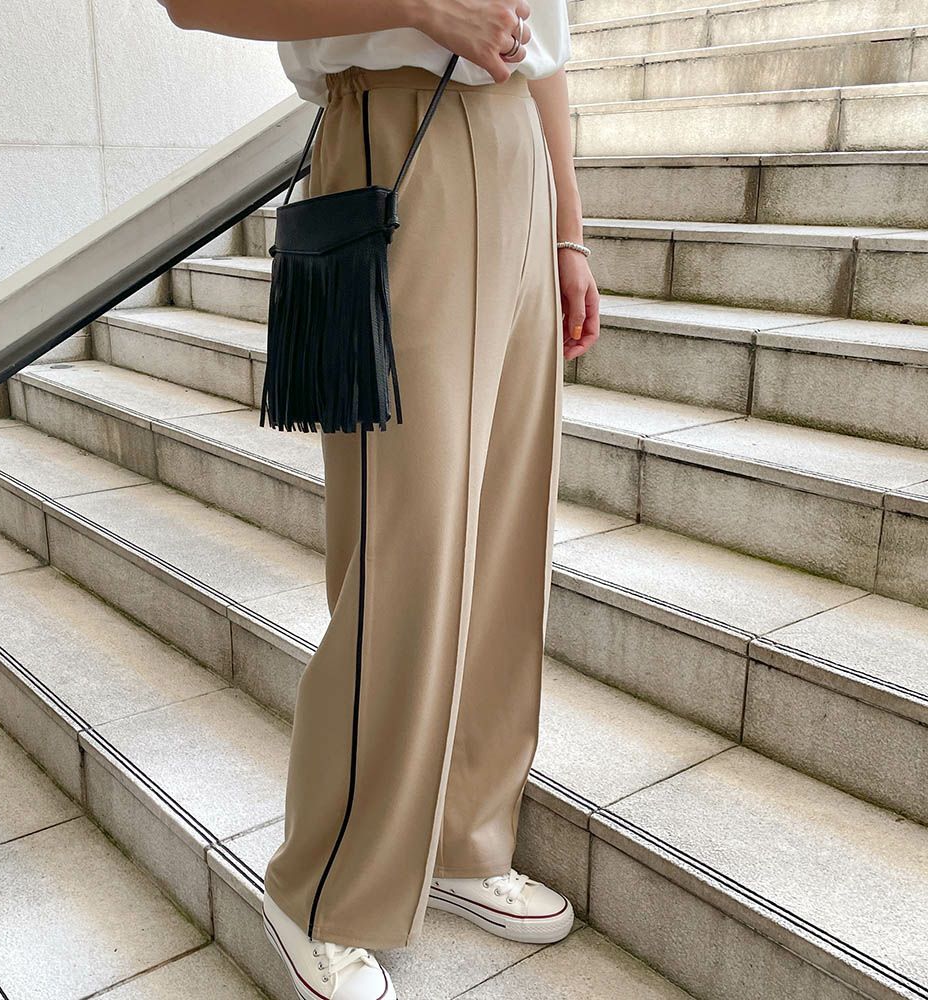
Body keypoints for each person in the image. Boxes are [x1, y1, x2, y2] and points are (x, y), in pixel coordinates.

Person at [158, 2, 601, 997]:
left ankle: (462, 837)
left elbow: (546, 41)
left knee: (505, 534)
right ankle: (322, 889)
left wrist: (569, 229)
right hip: (398, 139)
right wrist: (418, 7)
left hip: (518, 149)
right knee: (408, 544)